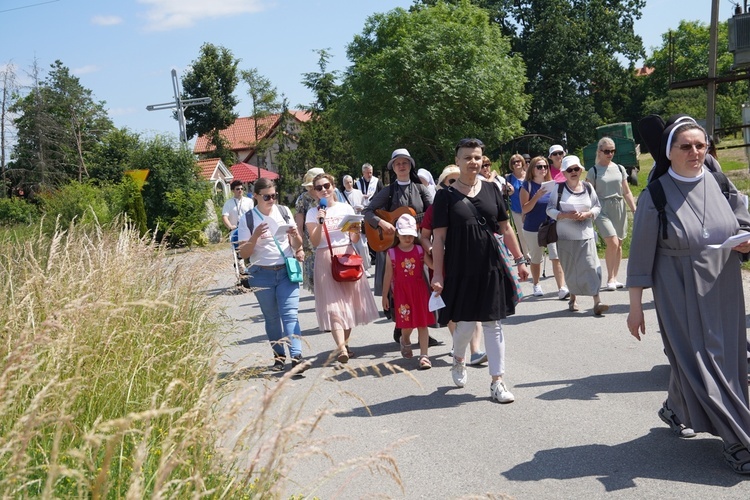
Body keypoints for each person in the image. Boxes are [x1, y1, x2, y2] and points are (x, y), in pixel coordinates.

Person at [627, 120, 750, 474]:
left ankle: (677, 408)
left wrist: (744, 239)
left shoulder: (719, 181)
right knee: (703, 361)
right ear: (669, 152)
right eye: (686, 147)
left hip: (724, 283)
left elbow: (741, 221)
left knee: (726, 359)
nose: (695, 153)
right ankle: (738, 439)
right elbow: (640, 258)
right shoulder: (657, 195)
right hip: (677, 286)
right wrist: (635, 308)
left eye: (700, 145)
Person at [431, 138, 529, 404]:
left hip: (490, 266)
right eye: (467, 157)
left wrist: (520, 260)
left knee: (492, 323)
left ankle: (497, 381)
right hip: (459, 268)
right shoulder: (445, 196)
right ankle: (458, 358)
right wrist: (438, 274)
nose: (473, 162)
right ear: (458, 161)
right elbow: (438, 239)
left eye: (477, 157)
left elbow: (506, 228)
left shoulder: (491, 190)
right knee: (464, 324)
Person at [363, 148, 438, 347]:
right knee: (398, 288)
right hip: (395, 246)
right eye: (398, 163)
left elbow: (433, 212)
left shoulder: (421, 189)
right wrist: (382, 223)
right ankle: (402, 327)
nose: (402, 166)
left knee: (421, 285)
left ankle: (422, 329)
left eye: (405, 162)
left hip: (417, 245)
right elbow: (367, 211)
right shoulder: (388, 191)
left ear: (410, 165)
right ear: (393, 168)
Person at [306, 173, 380, 363]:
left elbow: (354, 239)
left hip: (347, 256)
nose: (323, 190)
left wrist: (356, 228)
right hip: (325, 257)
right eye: (319, 187)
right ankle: (341, 349)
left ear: (332, 186)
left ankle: (345, 344)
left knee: (349, 303)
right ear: (314, 192)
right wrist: (321, 221)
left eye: (326, 185)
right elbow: (314, 241)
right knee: (333, 307)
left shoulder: (344, 208)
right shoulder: (312, 213)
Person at [421, 165, 487, 366]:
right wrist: (433, 250)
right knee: (452, 308)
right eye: (450, 181)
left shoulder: (477, 201)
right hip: (444, 264)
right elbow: (424, 236)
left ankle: (475, 351)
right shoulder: (435, 208)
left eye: (458, 179)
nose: (455, 183)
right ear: (442, 185)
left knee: (475, 305)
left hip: (471, 261)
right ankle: (459, 346)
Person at [237, 178, 306, 373]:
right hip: (261, 274)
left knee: (290, 315)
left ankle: (297, 356)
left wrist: (295, 235)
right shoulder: (248, 219)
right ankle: (279, 356)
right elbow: (243, 253)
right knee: (272, 318)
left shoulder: (284, 212)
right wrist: (255, 236)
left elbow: (298, 245)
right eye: (267, 196)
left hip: (286, 271)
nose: (271, 200)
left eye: (274, 195)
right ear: (256, 196)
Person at [546, 155, 607, 315]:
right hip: (565, 236)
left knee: (592, 267)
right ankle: (573, 298)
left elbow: (597, 206)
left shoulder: (587, 187)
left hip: (586, 235)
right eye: (569, 170)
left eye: (576, 169)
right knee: (570, 268)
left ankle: (597, 301)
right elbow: (549, 209)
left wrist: (587, 214)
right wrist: (565, 215)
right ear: (564, 173)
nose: (573, 172)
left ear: (580, 170)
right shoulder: (558, 189)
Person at [382, 213, 435, 370]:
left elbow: (432, 266)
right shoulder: (391, 253)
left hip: (419, 291)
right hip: (402, 293)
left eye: (411, 235)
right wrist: (385, 295)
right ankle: (405, 339)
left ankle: (424, 356)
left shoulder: (419, 250)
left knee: (422, 323)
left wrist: (441, 256)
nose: (408, 239)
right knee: (407, 323)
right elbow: (388, 275)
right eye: (404, 235)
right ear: (397, 233)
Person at [587, 137, 637, 290]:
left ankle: (614, 277)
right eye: (607, 151)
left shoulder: (620, 168)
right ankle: (609, 279)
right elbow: (589, 194)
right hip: (602, 208)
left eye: (612, 151)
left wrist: (635, 210)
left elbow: (627, 191)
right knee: (613, 242)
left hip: (619, 206)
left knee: (619, 244)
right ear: (599, 152)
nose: (610, 154)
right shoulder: (593, 170)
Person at [520, 156, 569, 299]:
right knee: (536, 258)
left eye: (545, 166)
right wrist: (536, 196)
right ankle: (536, 284)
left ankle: (561, 288)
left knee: (556, 256)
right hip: (533, 227)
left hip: (551, 225)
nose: (543, 169)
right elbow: (525, 209)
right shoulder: (527, 186)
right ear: (532, 169)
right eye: (539, 167)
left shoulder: (552, 185)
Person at [295, 167, 325, 293]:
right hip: (311, 247)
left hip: (330, 243)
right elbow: (299, 224)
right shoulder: (303, 199)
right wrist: (299, 248)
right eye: (314, 186)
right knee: (317, 284)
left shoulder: (330, 196)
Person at [341, 175, 372, 277]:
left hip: (359, 222)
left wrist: (361, 208)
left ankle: (366, 267)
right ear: (343, 184)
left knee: (363, 246)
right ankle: (358, 266)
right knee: (353, 246)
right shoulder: (341, 196)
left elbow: (366, 206)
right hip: (349, 223)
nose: (349, 184)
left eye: (350, 182)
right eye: (346, 183)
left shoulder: (358, 193)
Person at [505, 153, 531, 261]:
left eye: (518, 161)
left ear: (522, 162)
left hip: (530, 208)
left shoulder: (529, 175)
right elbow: (508, 194)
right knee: (521, 232)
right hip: (516, 209)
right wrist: (508, 190)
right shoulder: (509, 178)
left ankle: (535, 252)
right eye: (514, 162)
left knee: (531, 231)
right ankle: (527, 255)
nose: (516, 164)